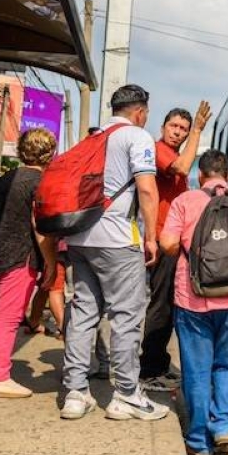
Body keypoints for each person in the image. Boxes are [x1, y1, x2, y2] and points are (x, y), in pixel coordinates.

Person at [59, 84, 166, 421]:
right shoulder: (137, 136)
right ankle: (127, 395)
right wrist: (151, 236)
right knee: (126, 315)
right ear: (140, 111)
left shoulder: (93, 136)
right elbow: (147, 189)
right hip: (118, 238)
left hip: (80, 237)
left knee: (83, 312)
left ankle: (75, 393)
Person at [160, 149, 228, 455]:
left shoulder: (185, 201)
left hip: (192, 299)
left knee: (196, 370)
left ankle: (198, 441)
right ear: (227, 175)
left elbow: (167, 244)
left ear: (200, 176)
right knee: (227, 364)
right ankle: (223, 426)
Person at [0, 128, 57, 398]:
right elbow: (40, 227)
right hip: (20, 256)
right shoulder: (39, 183)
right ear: (50, 153)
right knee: (9, 317)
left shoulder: (6, 177)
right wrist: (51, 262)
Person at [140, 102, 212, 392]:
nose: (178, 133)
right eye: (174, 127)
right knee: (160, 306)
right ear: (163, 127)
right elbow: (183, 166)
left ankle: (158, 362)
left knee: (170, 305)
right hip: (161, 240)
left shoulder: (174, 155)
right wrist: (197, 130)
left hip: (172, 243)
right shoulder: (158, 150)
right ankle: (149, 369)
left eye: (183, 129)